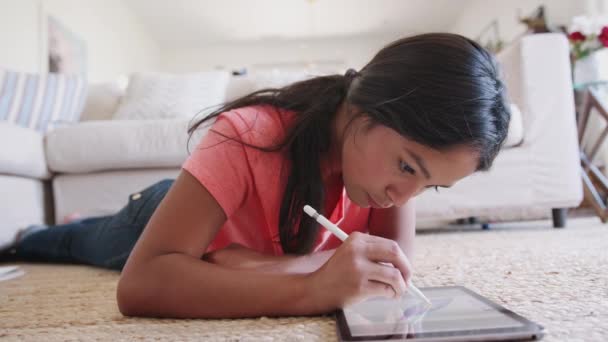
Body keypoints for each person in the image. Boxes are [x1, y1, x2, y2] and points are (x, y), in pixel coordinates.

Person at [1, 33, 510, 319]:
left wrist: (251, 267)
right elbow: (141, 285)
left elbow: (388, 280)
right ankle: (38, 231)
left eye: (430, 185)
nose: (404, 199)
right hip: (157, 217)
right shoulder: (248, 135)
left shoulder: (393, 179)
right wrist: (309, 287)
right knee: (76, 241)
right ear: (364, 111)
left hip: (222, 244)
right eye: (407, 168)